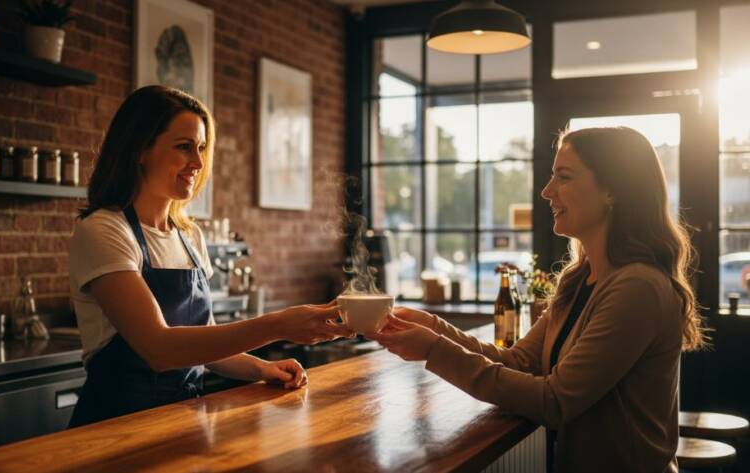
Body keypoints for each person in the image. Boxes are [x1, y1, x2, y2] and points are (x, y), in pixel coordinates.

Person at [372, 127, 708, 473]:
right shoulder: (580, 279)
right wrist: (434, 328)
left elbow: (554, 401)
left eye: (563, 177)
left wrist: (433, 349)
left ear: (612, 190)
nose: (547, 192)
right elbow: (520, 361)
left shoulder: (638, 288)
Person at [68, 85, 353, 428]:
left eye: (201, 147)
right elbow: (160, 348)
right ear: (140, 149)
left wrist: (262, 369)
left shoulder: (190, 236)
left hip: (182, 421)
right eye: (184, 147)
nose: (199, 162)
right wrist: (279, 325)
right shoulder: (104, 230)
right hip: (113, 428)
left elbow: (205, 340)